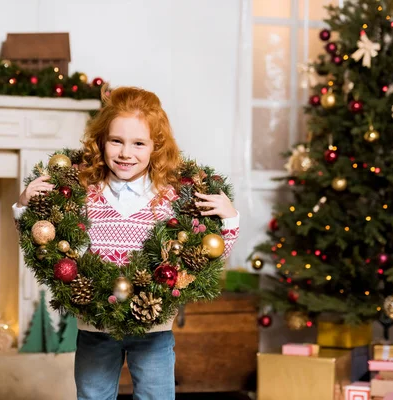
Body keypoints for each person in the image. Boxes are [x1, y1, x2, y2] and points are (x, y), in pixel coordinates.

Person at [13, 86, 240, 400]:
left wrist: (228, 219)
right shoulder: (83, 192)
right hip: (95, 325)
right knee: (93, 395)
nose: (125, 153)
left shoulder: (170, 196)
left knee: (155, 396)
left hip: (154, 328)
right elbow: (42, 239)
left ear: (155, 146)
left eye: (138, 143)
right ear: (102, 140)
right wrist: (25, 205)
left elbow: (207, 253)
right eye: (116, 141)